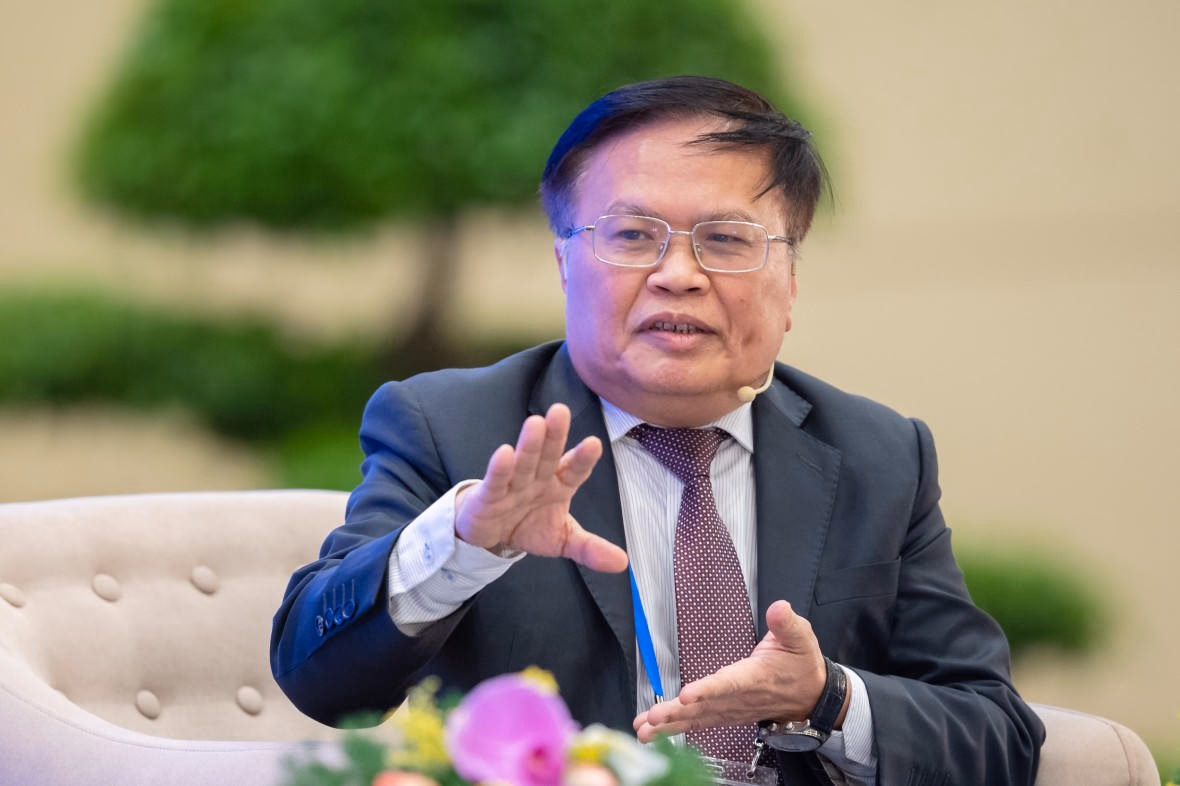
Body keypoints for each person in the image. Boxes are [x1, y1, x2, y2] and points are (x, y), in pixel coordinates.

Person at [270, 76, 1044, 785]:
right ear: (565, 263)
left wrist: (829, 697)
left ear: (790, 281)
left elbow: (997, 737)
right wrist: (464, 544)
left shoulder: (880, 455)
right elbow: (317, 677)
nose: (678, 275)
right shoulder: (453, 428)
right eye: (634, 236)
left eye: (727, 240)